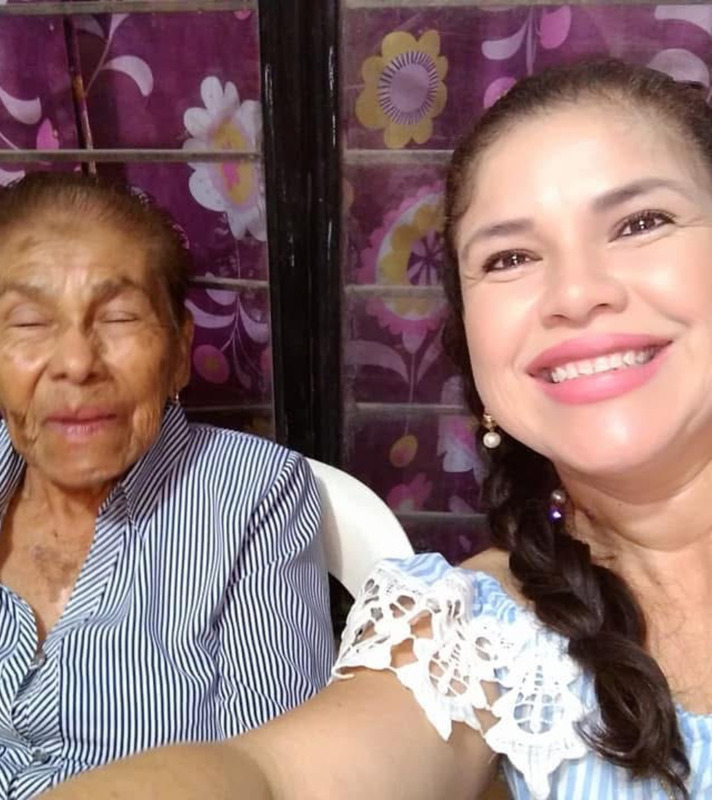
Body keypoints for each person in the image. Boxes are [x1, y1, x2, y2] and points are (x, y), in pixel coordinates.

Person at [41, 59, 712, 799]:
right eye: (510, 257)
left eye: (640, 223)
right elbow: (281, 777)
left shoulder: (252, 488)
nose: (577, 294)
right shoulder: (474, 634)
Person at [0, 172, 335, 799]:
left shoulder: (253, 495)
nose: (78, 363)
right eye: (29, 323)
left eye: (119, 317)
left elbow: (277, 763)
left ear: (179, 350)